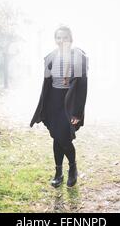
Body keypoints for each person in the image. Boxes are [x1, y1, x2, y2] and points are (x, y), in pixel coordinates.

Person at [30, 26, 89, 187]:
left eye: (64, 37)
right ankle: (59, 173)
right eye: (58, 37)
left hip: (68, 103)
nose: (61, 40)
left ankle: (72, 168)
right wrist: (43, 107)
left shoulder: (77, 57)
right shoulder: (50, 57)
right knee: (57, 137)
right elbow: (46, 84)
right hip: (53, 103)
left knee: (64, 138)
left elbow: (82, 87)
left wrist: (77, 112)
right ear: (55, 40)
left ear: (71, 38)